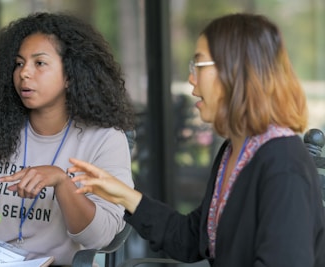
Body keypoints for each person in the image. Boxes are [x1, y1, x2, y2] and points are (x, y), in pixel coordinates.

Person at [68, 13, 325, 267]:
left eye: (198, 66)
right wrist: (123, 194)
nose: (191, 79)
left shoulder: (284, 163)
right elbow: (191, 238)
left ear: (234, 71)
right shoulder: (234, 150)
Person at [0, 12, 135, 265]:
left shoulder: (103, 139)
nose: (24, 73)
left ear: (70, 75)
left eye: (39, 63)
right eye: (19, 63)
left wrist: (61, 182)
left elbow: (101, 237)